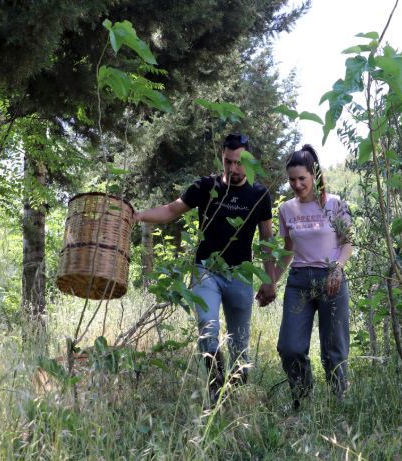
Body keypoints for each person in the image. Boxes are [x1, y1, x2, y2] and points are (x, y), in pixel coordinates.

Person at [134, 133, 276, 404]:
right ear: (221, 158)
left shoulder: (259, 195)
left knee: (240, 353)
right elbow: (171, 211)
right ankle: (215, 388)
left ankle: (229, 400)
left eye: (239, 163)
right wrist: (138, 215)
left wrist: (270, 280)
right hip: (206, 271)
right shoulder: (205, 187)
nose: (233, 169)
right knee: (208, 330)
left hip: (241, 275)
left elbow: (268, 241)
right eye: (227, 162)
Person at [271, 144, 353, 409]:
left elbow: (347, 242)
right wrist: (271, 281)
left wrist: (337, 267)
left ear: (314, 175)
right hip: (299, 282)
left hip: (332, 281)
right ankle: (302, 395)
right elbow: (287, 251)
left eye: (301, 179)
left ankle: (338, 405)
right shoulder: (286, 210)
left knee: (334, 350)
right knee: (289, 347)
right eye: (292, 179)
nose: (296, 184)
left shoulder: (334, 204)